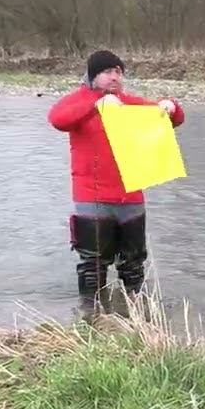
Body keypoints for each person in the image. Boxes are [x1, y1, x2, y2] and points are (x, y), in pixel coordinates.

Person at [47, 50, 185, 310]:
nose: (114, 77)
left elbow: (173, 118)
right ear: (92, 76)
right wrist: (94, 105)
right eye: (108, 72)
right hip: (92, 196)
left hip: (130, 194)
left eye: (118, 72)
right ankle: (91, 318)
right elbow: (57, 119)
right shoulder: (79, 101)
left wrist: (170, 106)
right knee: (93, 265)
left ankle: (135, 314)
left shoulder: (128, 103)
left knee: (134, 263)